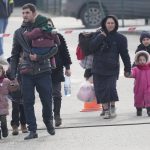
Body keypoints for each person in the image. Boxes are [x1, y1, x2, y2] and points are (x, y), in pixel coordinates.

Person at [8, 3, 56, 140]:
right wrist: (12, 73)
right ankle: (32, 130)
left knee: (47, 101)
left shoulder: (45, 26)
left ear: (34, 13)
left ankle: (48, 121)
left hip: (44, 70)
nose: (24, 15)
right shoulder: (18, 33)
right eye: (23, 13)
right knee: (28, 102)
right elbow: (14, 54)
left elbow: (55, 48)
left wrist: (40, 57)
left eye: (27, 13)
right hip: (26, 72)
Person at [89, 15, 131, 119]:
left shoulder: (121, 38)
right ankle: (106, 110)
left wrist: (127, 68)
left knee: (111, 88)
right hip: (98, 68)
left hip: (112, 68)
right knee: (100, 89)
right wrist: (101, 36)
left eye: (112, 23)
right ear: (104, 24)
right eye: (108, 23)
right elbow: (91, 48)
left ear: (116, 24)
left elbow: (125, 55)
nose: (110, 25)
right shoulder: (98, 35)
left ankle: (112, 107)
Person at [51, 33, 72, 127]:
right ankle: (48, 117)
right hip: (42, 70)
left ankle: (57, 115)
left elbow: (64, 51)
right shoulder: (38, 36)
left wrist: (67, 67)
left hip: (57, 69)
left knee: (56, 93)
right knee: (46, 96)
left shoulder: (58, 36)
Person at [125, 51, 150, 116]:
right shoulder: (136, 69)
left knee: (149, 98)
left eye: (144, 60)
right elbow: (132, 73)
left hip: (148, 88)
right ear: (137, 61)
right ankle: (139, 109)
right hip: (139, 88)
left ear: (146, 60)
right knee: (138, 99)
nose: (142, 61)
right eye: (140, 60)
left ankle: (149, 110)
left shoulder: (149, 68)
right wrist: (128, 73)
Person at [0, 0, 14, 65]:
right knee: (0, 36)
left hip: (6, 17)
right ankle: (1, 54)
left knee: (2, 36)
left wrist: (9, 12)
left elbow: (11, 3)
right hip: (0, 18)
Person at [0, 64, 10, 138]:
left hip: (3, 104)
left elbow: (12, 86)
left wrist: (14, 83)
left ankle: (4, 130)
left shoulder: (6, 81)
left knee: (3, 121)